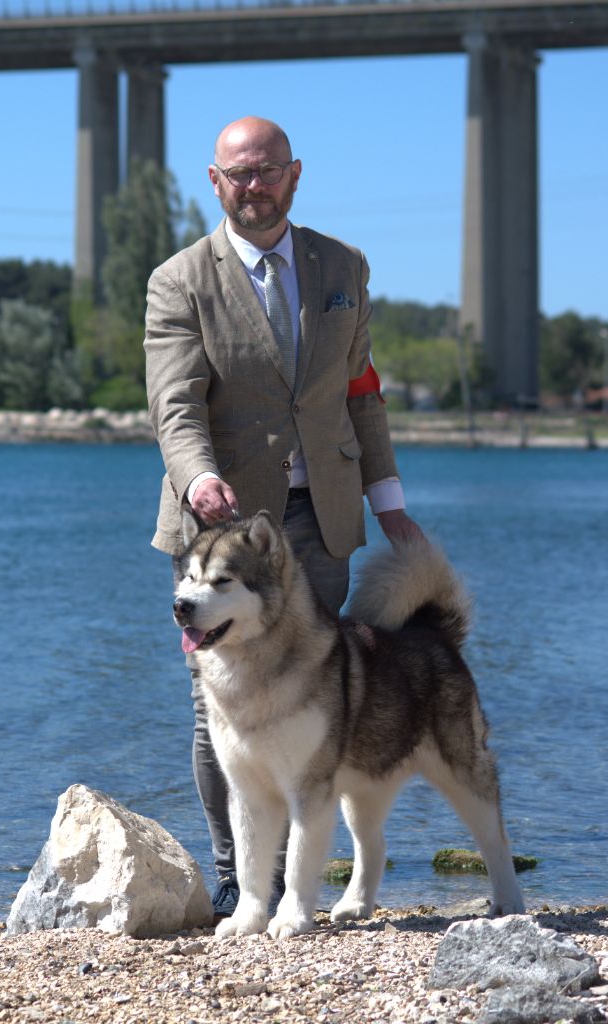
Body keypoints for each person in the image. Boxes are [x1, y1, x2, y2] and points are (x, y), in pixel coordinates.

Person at [144, 115, 423, 918]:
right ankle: (241, 878)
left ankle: (303, 875)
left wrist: (390, 502)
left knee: (315, 700)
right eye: (238, 174)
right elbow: (175, 406)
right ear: (214, 181)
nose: (253, 186)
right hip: (218, 534)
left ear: (294, 175)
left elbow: (360, 391)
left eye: (267, 171)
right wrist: (198, 481)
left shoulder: (345, 266)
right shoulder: (179, 280)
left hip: (322, 515)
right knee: (219, 709)